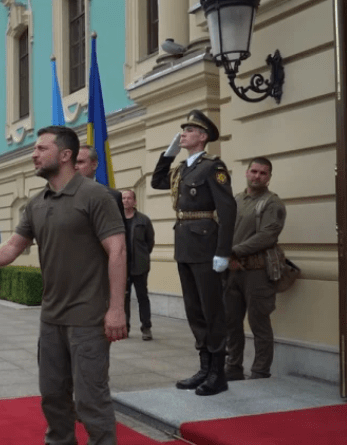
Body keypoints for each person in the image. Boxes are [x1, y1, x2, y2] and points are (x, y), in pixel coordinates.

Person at [0, 126, 127, 445]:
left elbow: (118, 250)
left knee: (91, 401)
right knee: (53, 399)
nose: (34, 154)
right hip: (51, 319)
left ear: (66, 155)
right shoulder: (36, 203)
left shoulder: (94, 195)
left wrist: (116, 309)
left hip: (88, 319)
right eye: (35, 148)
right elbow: (15, 245)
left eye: (42, 148)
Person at [151, 109, 236, 396]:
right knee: (194, 309)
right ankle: (204, 367)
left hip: (206, 244)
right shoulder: (183, 169)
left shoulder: (213, 166)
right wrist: (169, 153)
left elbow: (227, 208)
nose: (183, 133)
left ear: (202, 137)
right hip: (185, 244)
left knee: (212, 310)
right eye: (183, 130)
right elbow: (157, 182)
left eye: (189, 130)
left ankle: (218, 373)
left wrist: (223, 251)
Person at [225, 157, 286, 381]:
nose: (257, 176)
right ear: (246, 172)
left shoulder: (272, 204)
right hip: (232, 271)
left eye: (263, 173)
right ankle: (233, 367)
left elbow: (267, 236)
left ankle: (260, 371)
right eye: (254, 171)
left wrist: (234, 251)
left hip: (258, 272)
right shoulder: (236, 200)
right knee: (231, 322)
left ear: (269, 177)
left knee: (259, 323)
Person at [121, 190, 155, 341]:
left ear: (135, 201)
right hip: (122, 266)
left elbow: (150, 242)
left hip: (140, 265)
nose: (126, 201)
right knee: (123, 299)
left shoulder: (143, 220)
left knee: (142, 297)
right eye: (124, 198)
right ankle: (124, 328)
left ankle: (146, 328)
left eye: (129, 198)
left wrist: (143, 255)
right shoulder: (117, 220)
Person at [75, 144, 124, 218]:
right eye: (73, 162)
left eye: (80, 162)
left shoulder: (112, 196)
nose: (75, 166)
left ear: (94, 165)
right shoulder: (61, 195)